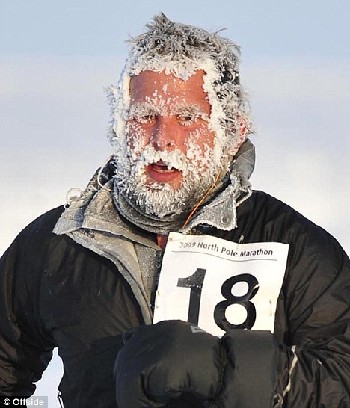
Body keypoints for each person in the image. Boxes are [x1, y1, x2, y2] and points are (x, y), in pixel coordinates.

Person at [1, 13, 350, 408]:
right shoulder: (57, 242)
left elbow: (343, 380)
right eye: (144, 116)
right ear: (119, 126)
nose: (162, 140)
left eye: (187, 119)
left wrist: (223, 371)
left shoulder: (296, 248)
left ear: (233, 133)